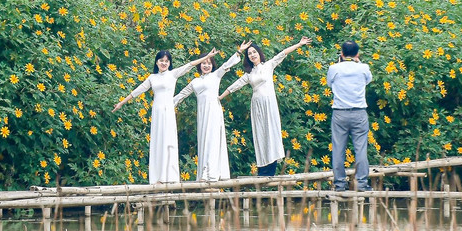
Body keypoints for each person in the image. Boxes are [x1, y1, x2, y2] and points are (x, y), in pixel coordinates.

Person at [113, 48, 218, 184]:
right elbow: (138, 90)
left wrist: (206, 56)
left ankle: (169, 177)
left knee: (168, 142)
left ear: (169, 63)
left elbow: (190, 65)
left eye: (166, 61)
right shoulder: (152, 78)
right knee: (158, 142)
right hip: (157, 113)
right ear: (157, 62)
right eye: (161, 60)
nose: (164, 63)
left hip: (168, 112)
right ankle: (158, 177)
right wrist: (121, 103)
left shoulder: (173, 74)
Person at [220, 36, 312, 177]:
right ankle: (262, 170)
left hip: (269, 104)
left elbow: (283, 53)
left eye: (254, 52)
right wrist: (220, 97)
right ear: (248, 58)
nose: (252, 55)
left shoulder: (268, 65)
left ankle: (271, 170)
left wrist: (299, 44)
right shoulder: (249, 74)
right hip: (257, 106)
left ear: (259, 53)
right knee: (260, 135)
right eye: (249, 54)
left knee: (271, 133)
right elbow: (235, 86)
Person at [173, 41, 249, 181]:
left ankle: (211, 174)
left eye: (209, 63)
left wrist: (239, 51)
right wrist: (166, 104)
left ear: (212, 65)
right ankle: (204, 172)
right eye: (203, 63)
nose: (206, 65)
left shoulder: (216, 76)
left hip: (213, 112)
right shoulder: (195, 82)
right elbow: (181, 95)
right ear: (199, 65)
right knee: (203, 141)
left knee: (212, 140)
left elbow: (226, 65)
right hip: (202, 114)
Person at [327, 40, 372, 191]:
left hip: (340, 112)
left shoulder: (334, 68)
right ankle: (362, 183)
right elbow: (368, 80)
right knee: (361, 149)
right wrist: (358, 62)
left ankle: (339, 184)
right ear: (357, 54)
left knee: (338, 149)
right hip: (359, 112)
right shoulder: (364, 67)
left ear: (342, 53)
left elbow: (329, 84)